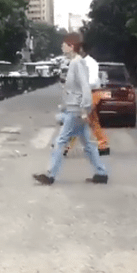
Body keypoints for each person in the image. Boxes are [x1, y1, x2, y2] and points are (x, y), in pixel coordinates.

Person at [33, 33, 108, 185]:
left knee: (60, 142)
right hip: (74, 110)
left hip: (76, 112)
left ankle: (50, 175)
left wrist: (84, 109)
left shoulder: (76, 63)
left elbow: (85, 88)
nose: (62, 47)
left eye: (64, 44)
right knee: (88, 144)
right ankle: (101, 173)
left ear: (71, 46)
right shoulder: (76, 63)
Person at [64, 42, 110, 157]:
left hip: (93, 93)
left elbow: (93, 81)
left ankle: (65, 145)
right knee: (92, 120)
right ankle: (103, 146)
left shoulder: (91, 63)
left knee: (78, 117)